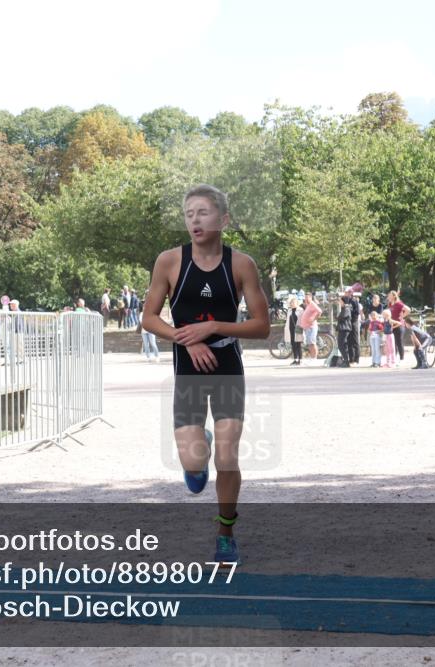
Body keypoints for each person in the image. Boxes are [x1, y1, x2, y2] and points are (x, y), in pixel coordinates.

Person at [140, 184, 270, 564]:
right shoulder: (169, 261)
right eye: (189, 214)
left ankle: (225, 532)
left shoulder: (242, 264)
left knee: (227, 457)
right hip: (188, 369)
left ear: (223, 219)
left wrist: (214, 327)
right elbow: (148, 317)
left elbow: (262, 326)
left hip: (228, 367)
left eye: (203, 213)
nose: (194, 220)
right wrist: (187, 339)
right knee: (195, 466)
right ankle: (199, 445)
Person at [299, 292, 322, 363]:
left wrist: (313, 319)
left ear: (310, 298)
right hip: (307, 327)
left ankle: (314, 358)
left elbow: (320, 311)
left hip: (311, 327)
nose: (306, 299)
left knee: (312, 343)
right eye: (305, 298)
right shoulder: (308, 305)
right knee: (309, 343)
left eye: (307, 298)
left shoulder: (312, 304)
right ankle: (312, 358)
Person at [386, 291, 406, 363]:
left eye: (389, 296)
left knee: (399, 342)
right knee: (393, 343)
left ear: (394, 296)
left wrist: (402, 316)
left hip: (399, 325)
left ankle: (402, 359)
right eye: (388, 296)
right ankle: (394, 359)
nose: (388, 297)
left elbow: (408, 310)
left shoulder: (399, 303)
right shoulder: (390, 304)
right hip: (392, 325)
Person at [334, 292, 353, 368]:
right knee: (341, 345)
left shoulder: (346, 308)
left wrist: (338, 317)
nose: (340, 303)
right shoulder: (344, 308)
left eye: (341, 301)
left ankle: (346, 361)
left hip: (344, 328)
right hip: (342, 328)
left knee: (342, 345)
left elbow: (342, 316)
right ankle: (345, 360)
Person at [286, 295, 303, 366]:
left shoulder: (300, 310)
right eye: (291, 302)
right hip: (291, 329)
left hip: (298, 328)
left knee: (298, 344)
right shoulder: (289, 311)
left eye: (293, 302)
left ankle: (300, 360)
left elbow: (302, 320)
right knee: (293, 344)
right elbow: (287, 321)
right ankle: (295, 359)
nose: (292, 303)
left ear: (297, 303)